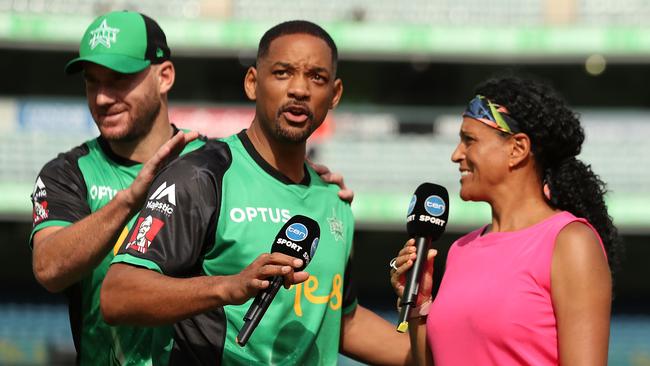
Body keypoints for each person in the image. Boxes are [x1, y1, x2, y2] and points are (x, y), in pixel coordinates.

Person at [30, 11, 350, 365]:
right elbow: (49, 269)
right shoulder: (68, 173)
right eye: (94, 82)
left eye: (120, 80)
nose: (104, 97)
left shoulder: (212, 168)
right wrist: (129, 202)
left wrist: (311, 189)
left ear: (164, 76)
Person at [101, 20, 411, 365]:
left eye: (317, 78)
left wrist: (425, 315)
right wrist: (228, 286)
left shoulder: (334, 202)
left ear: (334, 94)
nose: (299, 89)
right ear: (252, 83)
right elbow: (117, 294)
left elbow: (342, 321)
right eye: (282, 73)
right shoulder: (202, 176)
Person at [390, 76, 620, 366]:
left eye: (469, 140)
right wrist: (419, 308)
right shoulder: (462, 249)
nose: (456, 155)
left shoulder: (571, 243)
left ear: (517, 149)